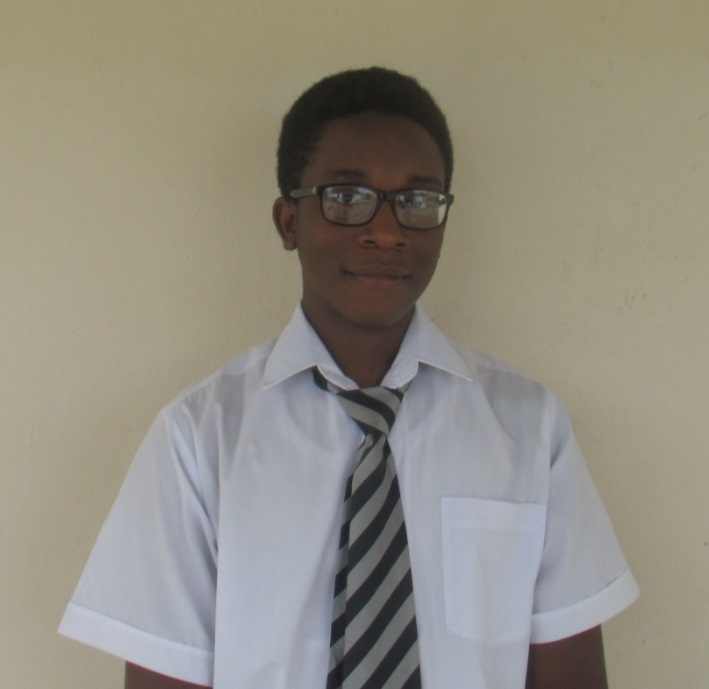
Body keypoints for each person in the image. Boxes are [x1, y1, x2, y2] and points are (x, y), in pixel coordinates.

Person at [59, 67, 638, 689]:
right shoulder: (200, 440)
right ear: (289, 222)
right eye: (346, 197)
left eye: (417, 202)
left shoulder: (528, 429)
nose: (386, 232)